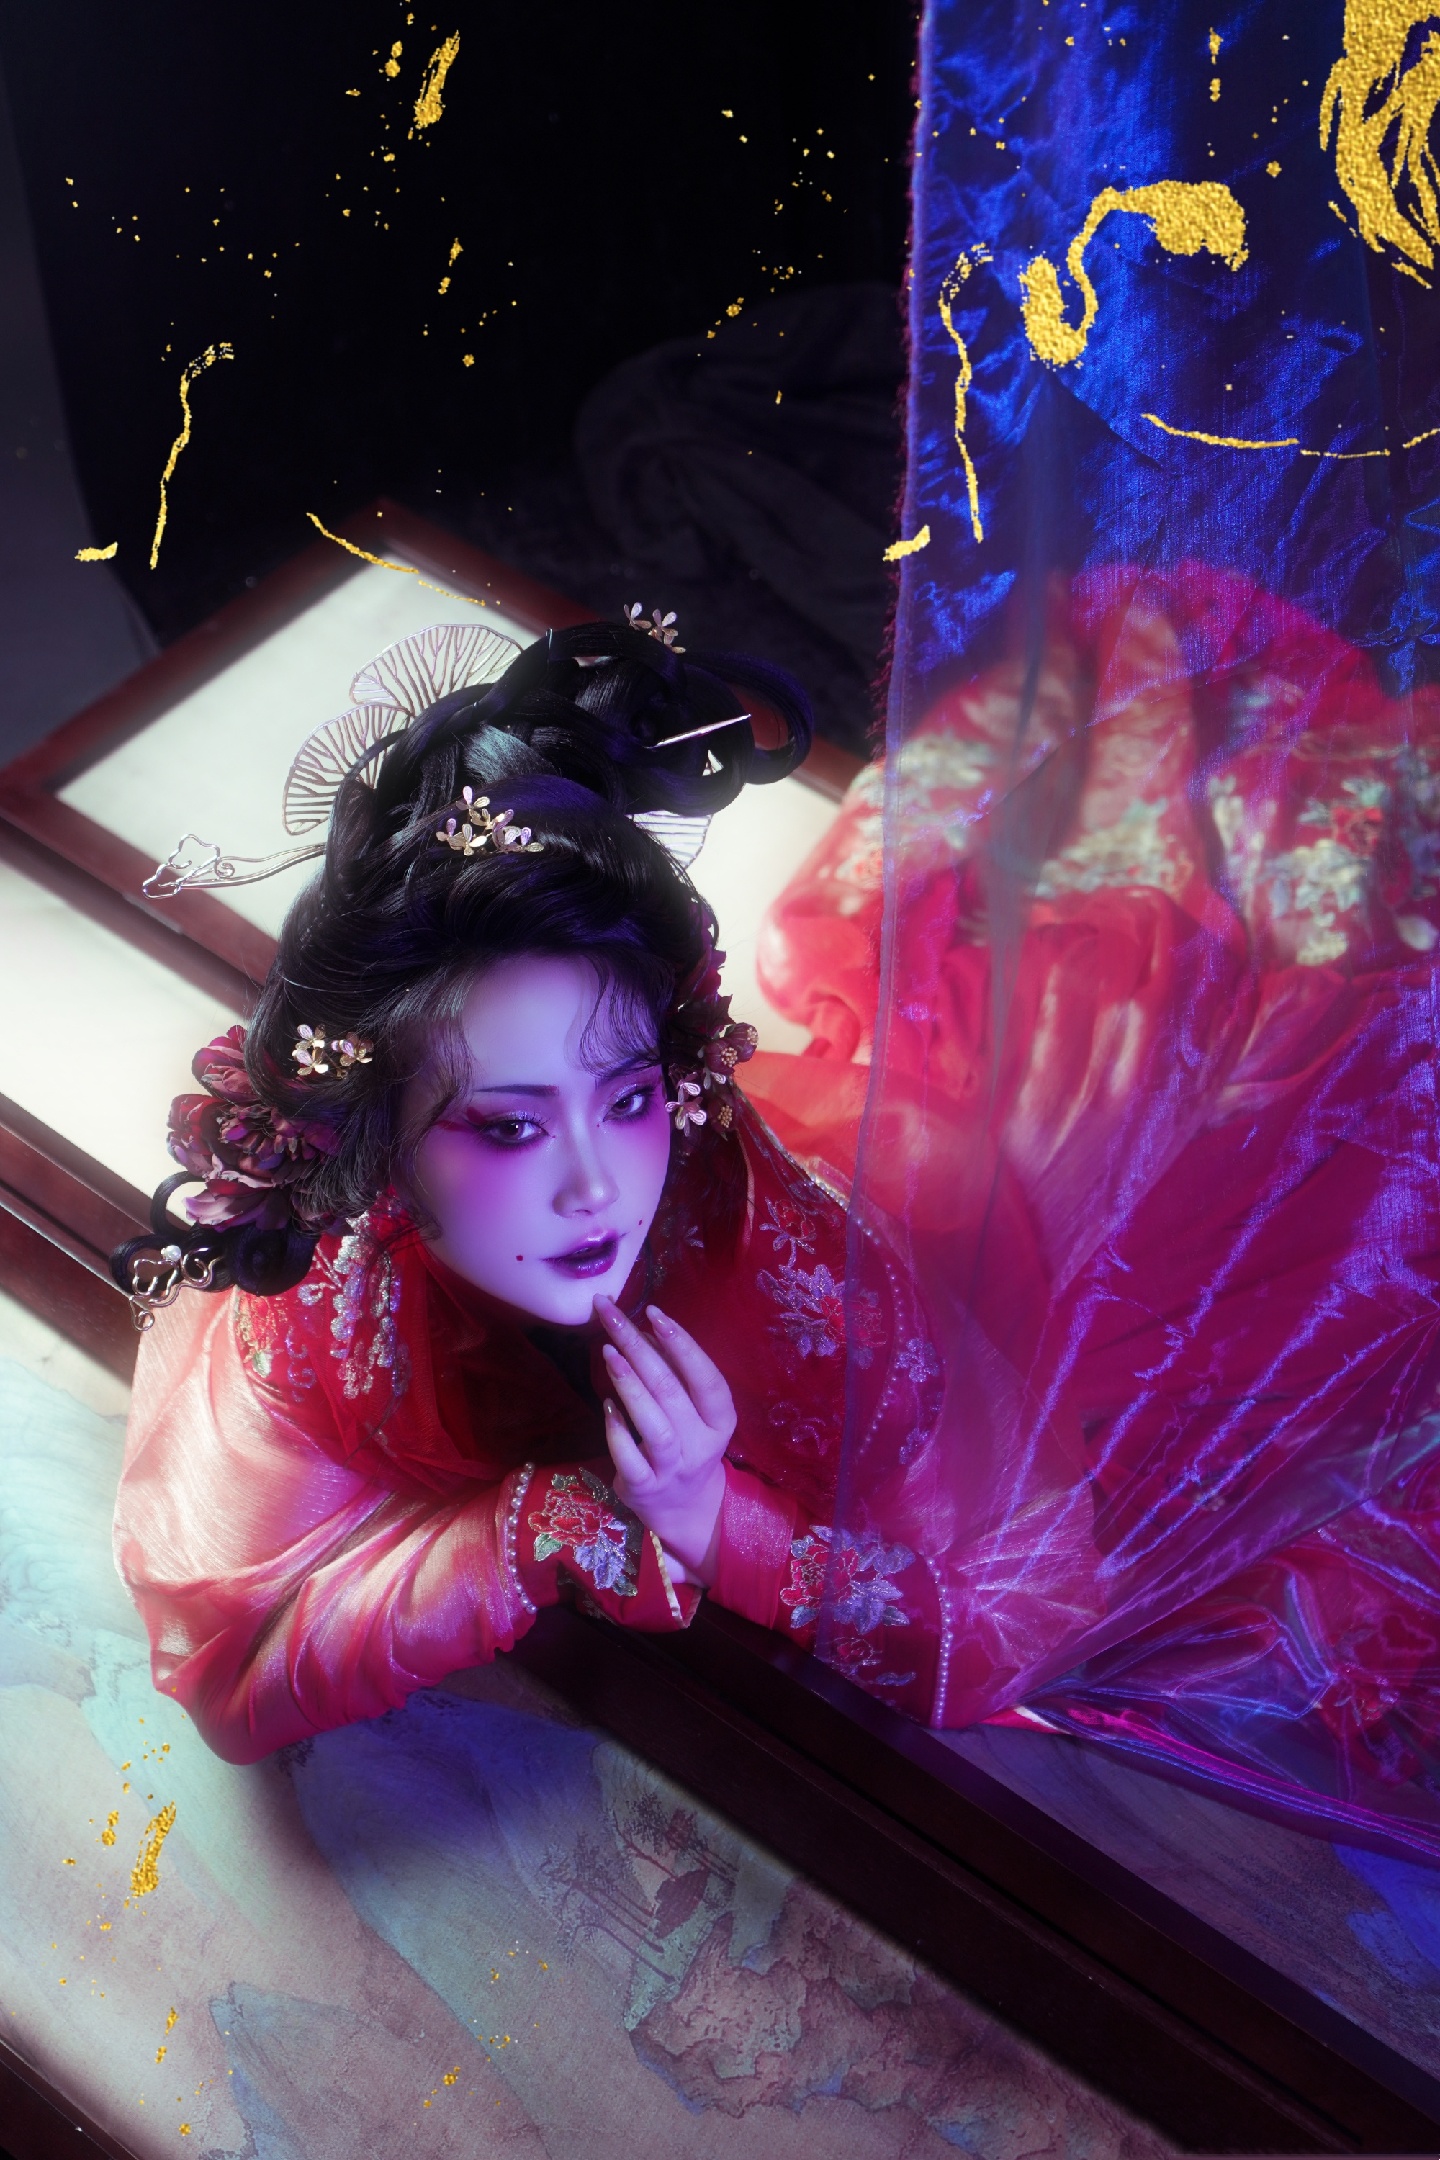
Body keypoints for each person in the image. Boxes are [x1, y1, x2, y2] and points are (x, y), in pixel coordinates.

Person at [113, 611, 935, 1765]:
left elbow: (1000, 1600)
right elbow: (233, 1670)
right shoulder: (321, 1313)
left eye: (630, 1099)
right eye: (509, 1126)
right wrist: (531, 1528)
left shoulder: (772, 1236)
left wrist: (712, 1517)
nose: (596, 1188)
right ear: (379, 1139)